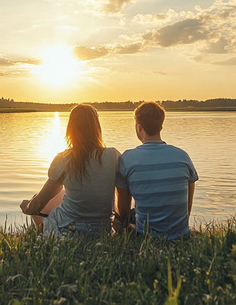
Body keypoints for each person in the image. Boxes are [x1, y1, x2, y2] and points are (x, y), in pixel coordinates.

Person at [20, 104, 123, 238]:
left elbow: (42, 200)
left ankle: (47, 236)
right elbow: (122, 192)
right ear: (97, 128)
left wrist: (27, 208)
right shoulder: (113, 156)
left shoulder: (63, 158)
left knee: (36, 202)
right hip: (102, 229)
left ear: (70, 129)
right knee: (61, 195)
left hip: (69, 229)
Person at [115, 101, 198, 239]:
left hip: (146, 236)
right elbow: (187, 205)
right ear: (161, 126)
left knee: (126, 214)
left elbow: (123, 211)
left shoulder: (127, 158)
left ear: (139, 127)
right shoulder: (182, 156)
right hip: (181, 235)